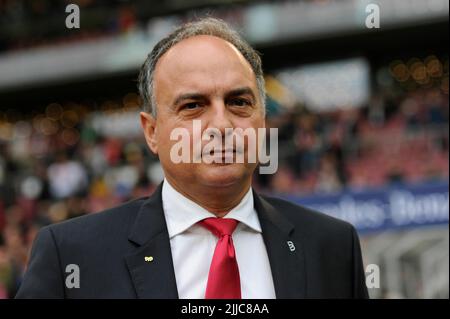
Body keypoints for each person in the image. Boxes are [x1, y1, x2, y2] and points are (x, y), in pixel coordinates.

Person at [16, 18, 368, 299]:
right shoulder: (72, 255)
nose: (221, 124)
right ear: (151, 131)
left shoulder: (332, 246)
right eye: (193, 105)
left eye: (239, 102)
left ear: (262, 120)